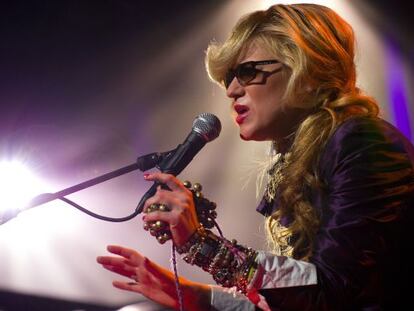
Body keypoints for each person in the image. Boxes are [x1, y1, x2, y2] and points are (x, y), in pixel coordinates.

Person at [96, 3, 414, 310]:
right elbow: (295, 299)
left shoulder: (363, 142)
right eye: (228, 77)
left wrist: (200, 244)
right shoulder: (299, 162)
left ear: (305, 70)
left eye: (247, 71)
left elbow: (329, 292)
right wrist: (191, 295)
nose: (232, 90)